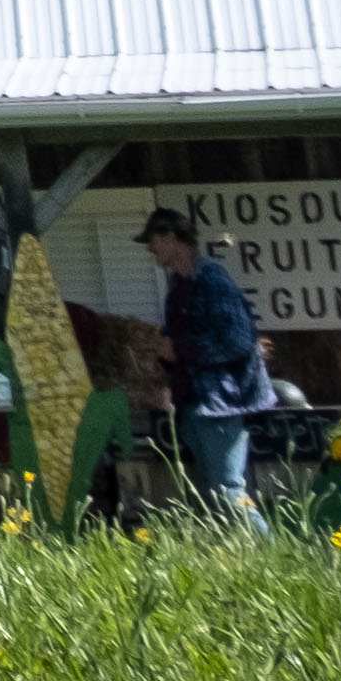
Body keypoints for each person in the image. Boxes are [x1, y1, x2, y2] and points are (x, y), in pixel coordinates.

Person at [140, 210, 264, 526]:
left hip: (221, 401)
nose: (150, 249)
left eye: (153, 240)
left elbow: (238, 341)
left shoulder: (211, 279)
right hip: (194, 399)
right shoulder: (179, 285)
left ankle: (272, 551)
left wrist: (179, 349)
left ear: (170, 237)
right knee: (211, 494)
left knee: (228, 491)